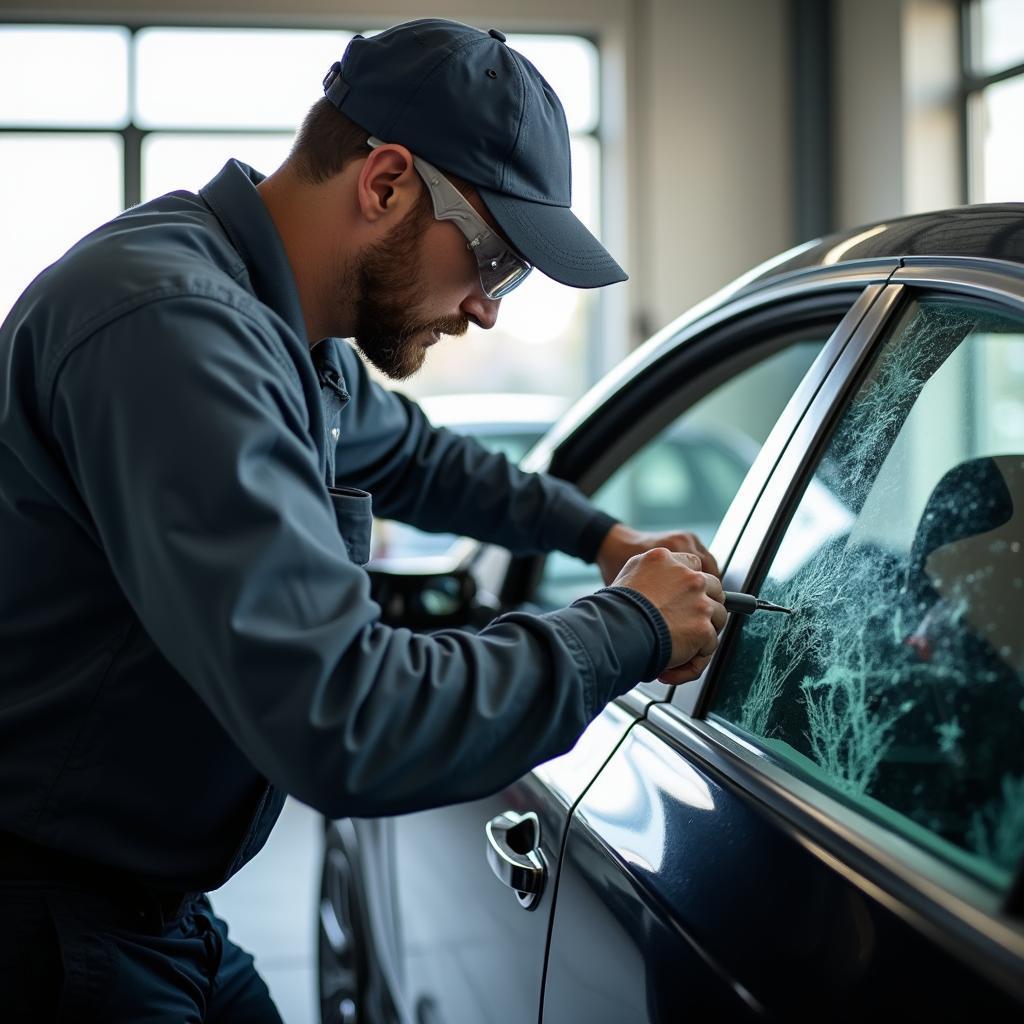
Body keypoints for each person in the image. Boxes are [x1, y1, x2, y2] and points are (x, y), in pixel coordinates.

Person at [0, 18, 726, 1021]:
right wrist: (629, 626)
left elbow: (422, 458)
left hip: (146, 911)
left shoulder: (286, 330)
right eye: (495, 260)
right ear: (384, 183)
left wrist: (604, 540)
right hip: (47, 930)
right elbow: (342, 719)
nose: (487, 309)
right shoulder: (170, 330)